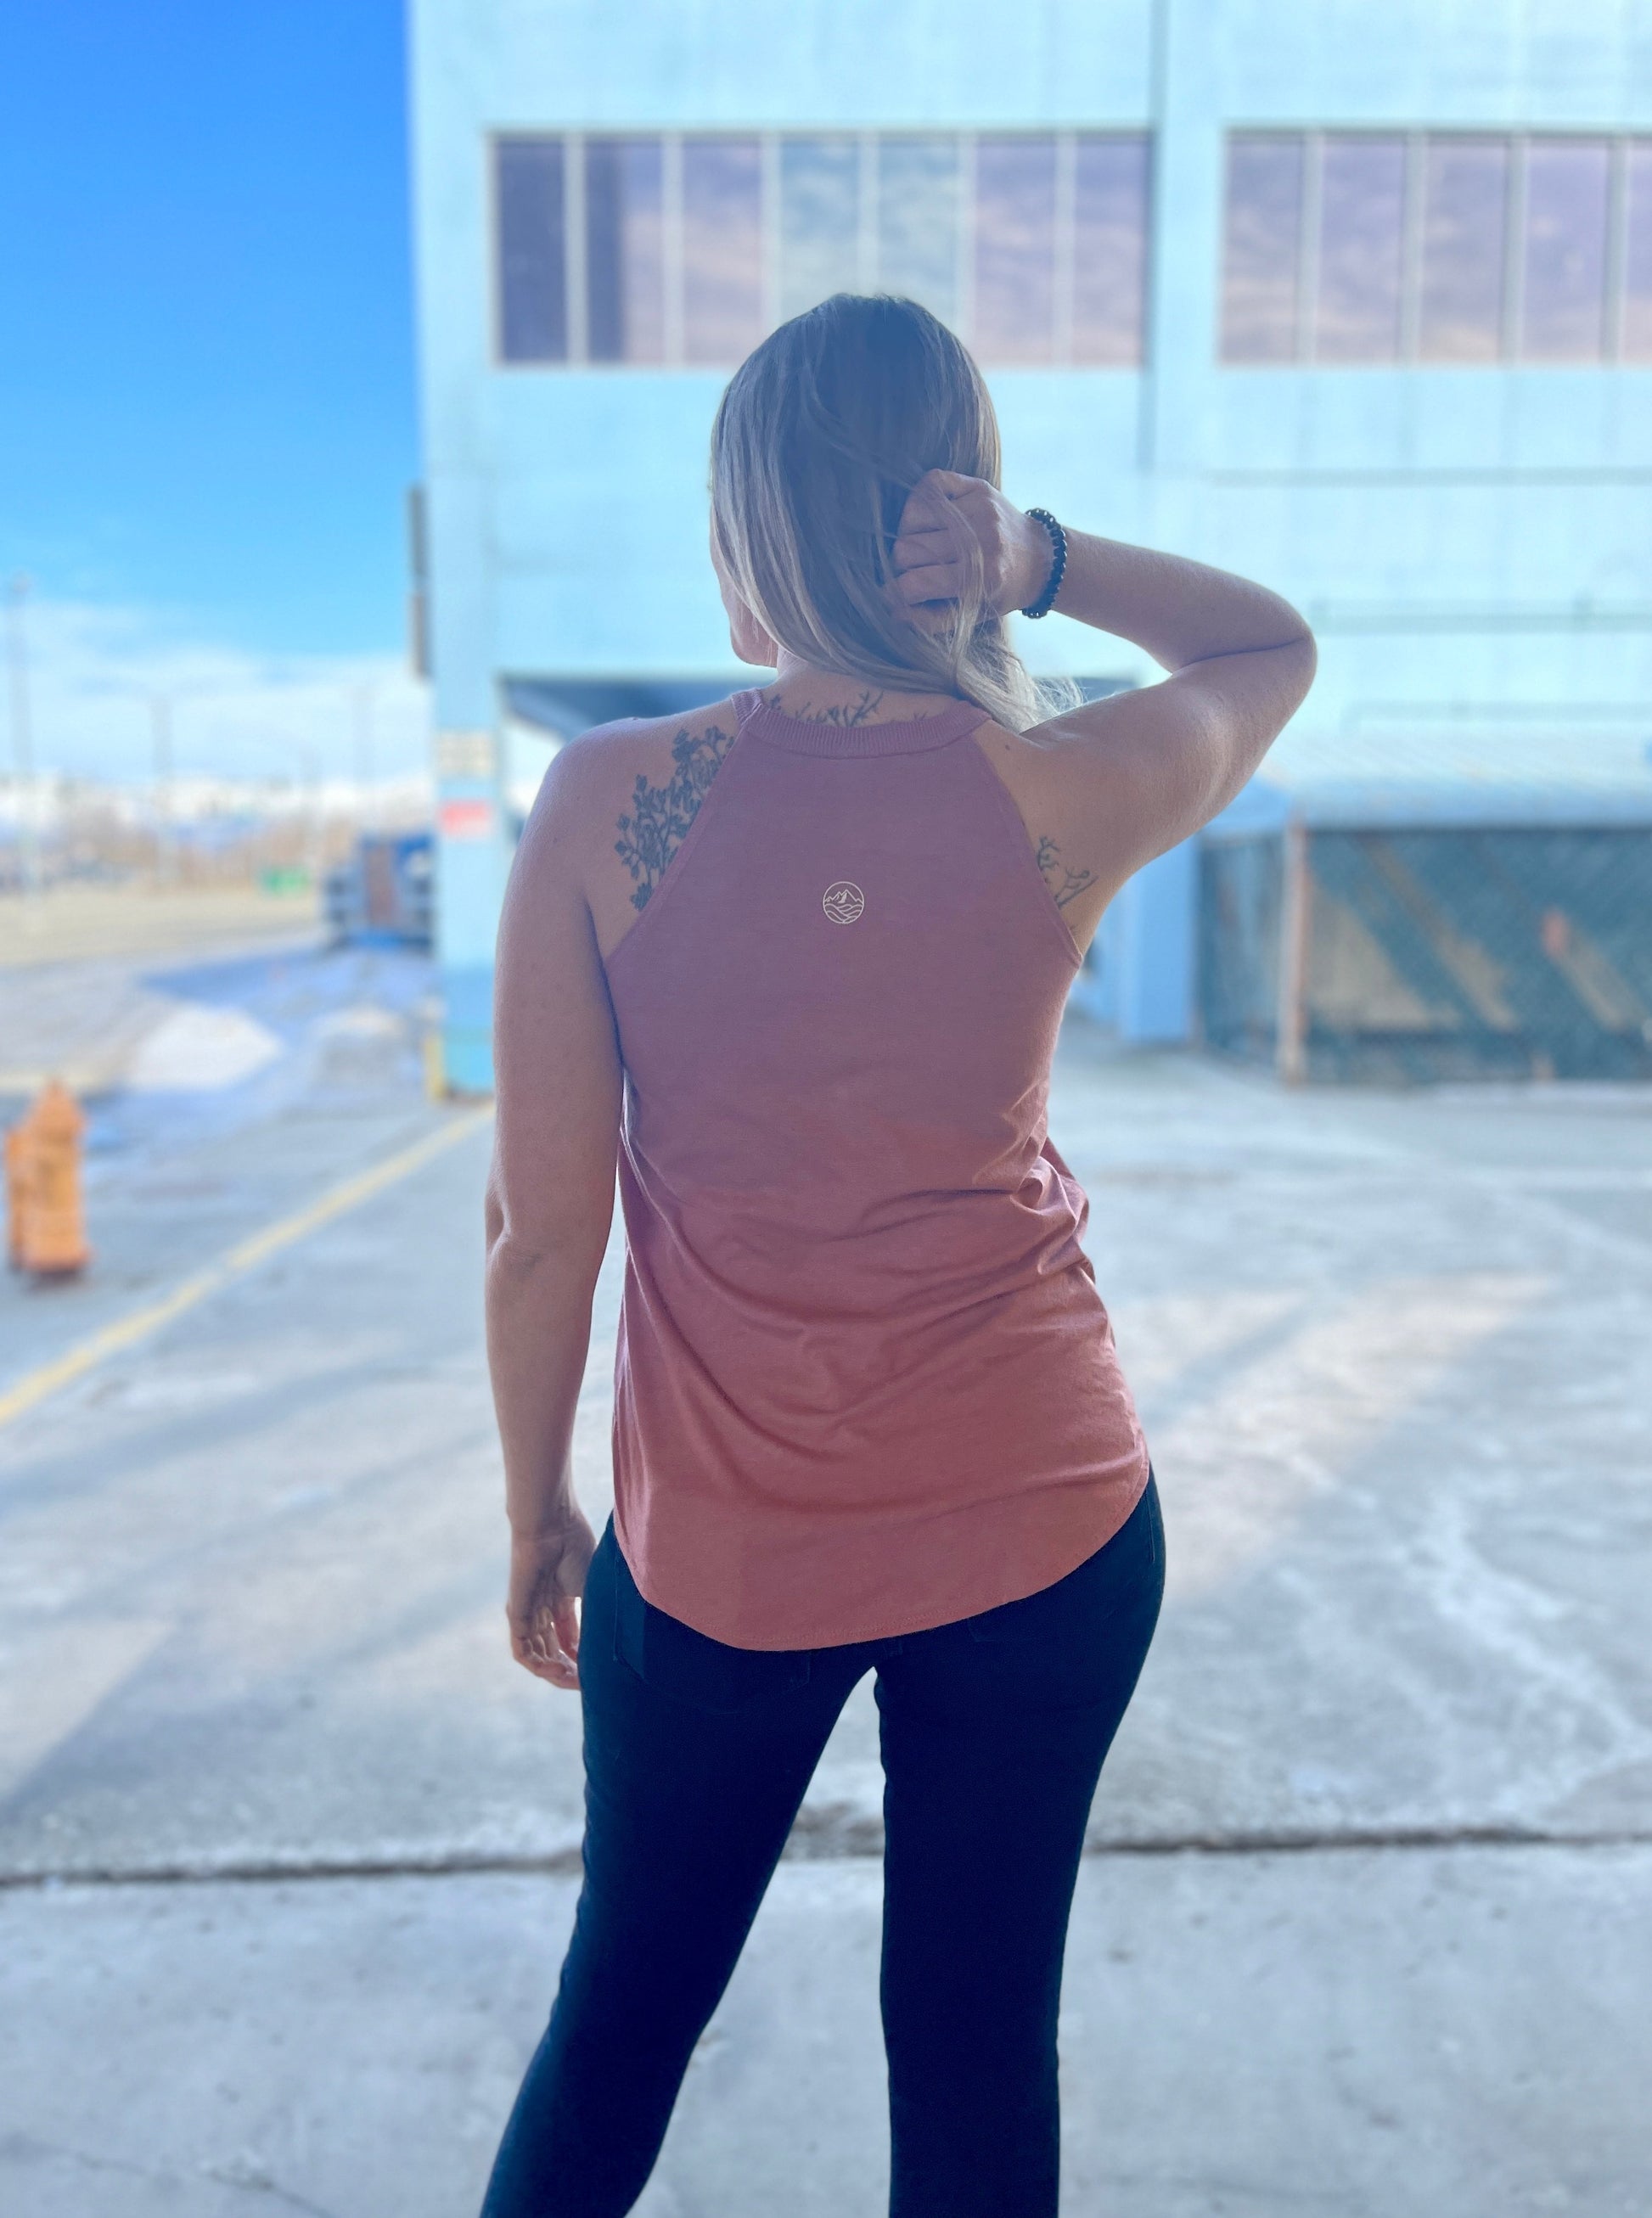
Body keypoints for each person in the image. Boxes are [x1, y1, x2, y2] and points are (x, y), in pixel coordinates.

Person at [478, 293, 1314, 2218]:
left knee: (618, 2027)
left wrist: (536, 1509)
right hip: (1046, 1519)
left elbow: (540, 1231)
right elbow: (1269, 647)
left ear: (744, 530)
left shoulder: (609, 800)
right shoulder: (1062, 785)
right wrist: (1042, 563)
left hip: (721, 1548)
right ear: (952, 504)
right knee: (971, 2051)